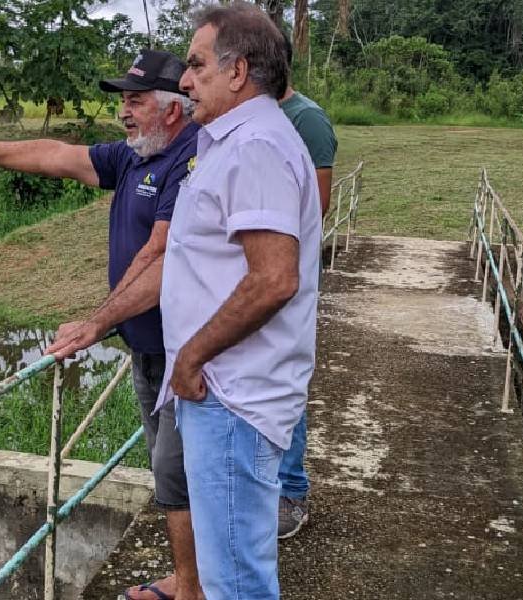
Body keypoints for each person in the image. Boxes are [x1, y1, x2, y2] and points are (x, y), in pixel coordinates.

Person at [0, 50, 205, 600]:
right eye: (122, 102)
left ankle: (191, 588)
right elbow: (55, 154)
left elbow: (161, 253)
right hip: (148, 348)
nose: (124, 113)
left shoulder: (190, 159)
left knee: (178, 479)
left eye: (136, 101)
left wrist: (93, 324)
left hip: (188, 352)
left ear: (173, 109)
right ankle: (195, 580)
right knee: (168, 471)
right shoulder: (136, 156)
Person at [160, 3, 321, 598]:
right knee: (233, 567)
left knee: (235, 580)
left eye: (196, 64)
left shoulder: (255, 145)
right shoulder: (236, 140)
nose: (184, 79)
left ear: (238, 70)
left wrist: (191, 356)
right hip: (229, 393)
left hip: (229, 396)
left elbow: (274, 277)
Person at [275, 28, 339, 540]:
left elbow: (315, 209)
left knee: (287, 378)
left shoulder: (306, 120)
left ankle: (291, 492)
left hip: (285, 277)